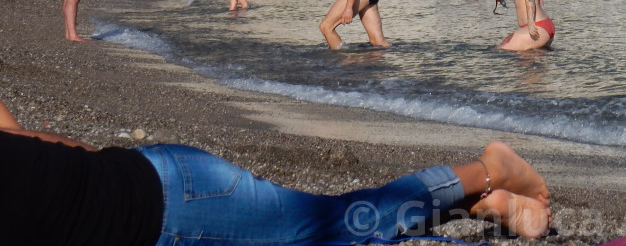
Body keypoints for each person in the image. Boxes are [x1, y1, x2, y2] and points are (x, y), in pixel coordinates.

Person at [0, 94, 551, 244]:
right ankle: (482, 203)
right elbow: (40, 141)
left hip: (180, 209)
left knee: (345, 225)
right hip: (153, 174)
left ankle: (484, 170)